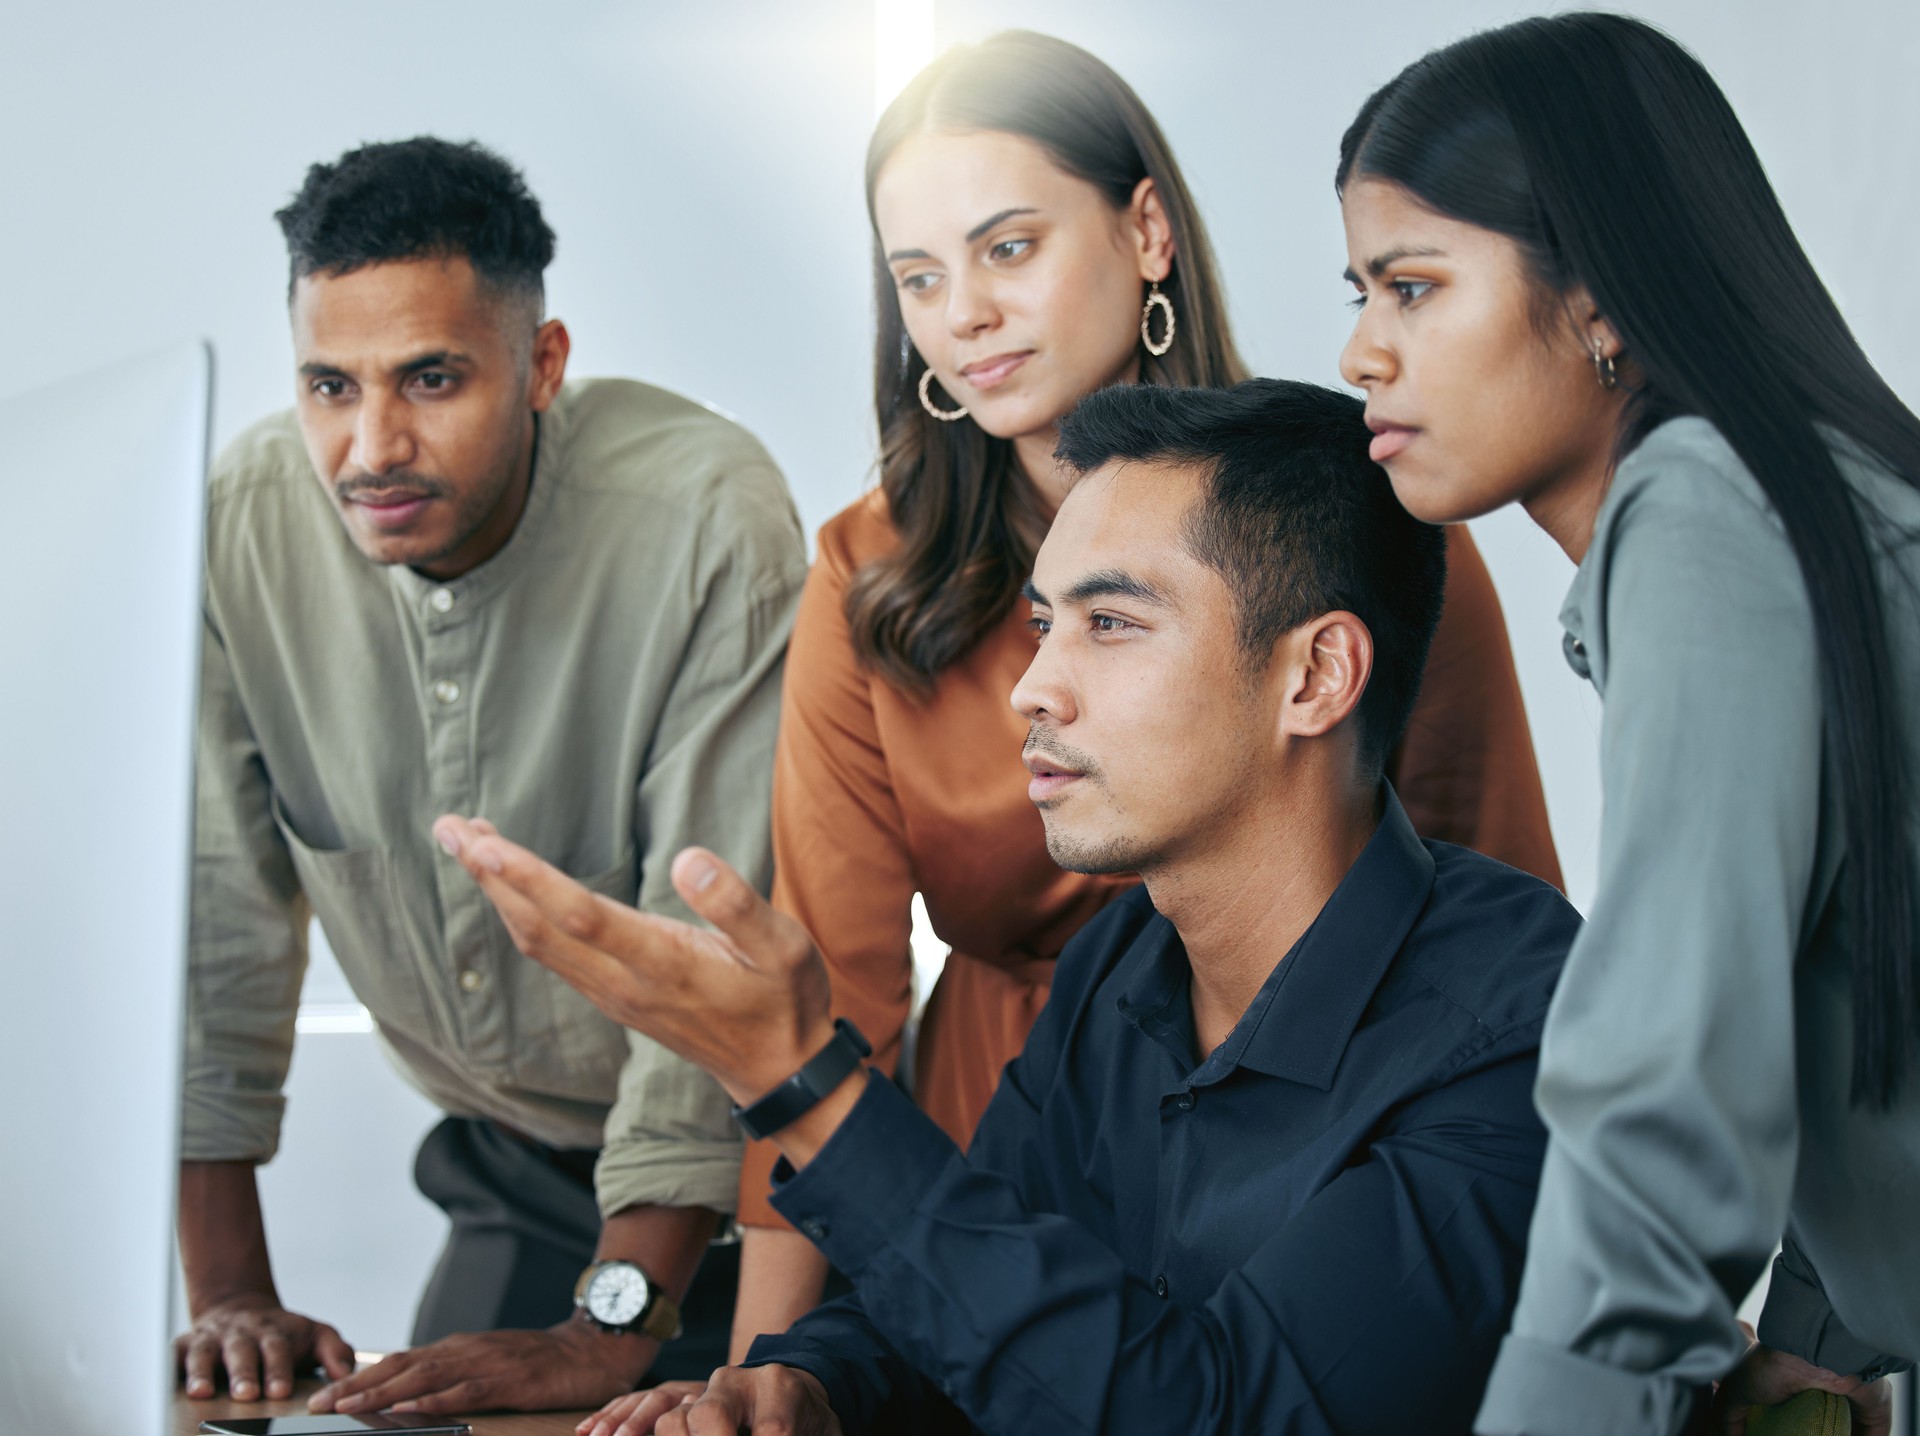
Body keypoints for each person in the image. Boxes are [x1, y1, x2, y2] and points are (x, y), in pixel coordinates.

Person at [437, 379, 1584, 1436]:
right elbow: (991, 1287)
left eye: (1113, 622)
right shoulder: (1125, 956)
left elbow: (1207, 1412)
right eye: (1046, 622)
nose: (1036, 685)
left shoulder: (1517, 1025)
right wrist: (813, 1381)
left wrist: (802, 1081)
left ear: (1317, 675)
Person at [731, 28, 1563, 1356]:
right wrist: (757, 1375)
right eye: (919, 277)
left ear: (1147, 230)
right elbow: (827, 993)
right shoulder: (866, 575)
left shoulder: (1362, 517)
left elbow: (1493, 900)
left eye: (1009, 249)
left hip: (1313, 1176)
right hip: (991, 1155)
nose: (965, 316)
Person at [1333, 15, 1920, 1435]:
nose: (1360, 352)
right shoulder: (1801, 495)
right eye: (1359, 290)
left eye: (1413, 287)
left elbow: (1672, 1087)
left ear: (1596, 296)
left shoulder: (1701, 508)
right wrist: (1823, 1330)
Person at [175, 136, 806, 1418]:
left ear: (544, 366)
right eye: (328, 385)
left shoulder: (705, 520)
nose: (370, 445)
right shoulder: (239, 526)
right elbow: (216, 930)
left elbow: (707, 960)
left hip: (772, 1169)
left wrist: (606, 1323)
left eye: (430, 378)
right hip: (510, 1160)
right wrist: (231, 1290)